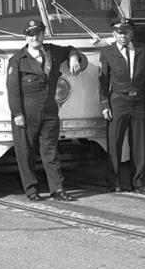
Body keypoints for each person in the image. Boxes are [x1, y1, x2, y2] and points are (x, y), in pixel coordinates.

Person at [6, 19, 85, 201]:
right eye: (31, 34)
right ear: (26, 37)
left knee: (50, 151)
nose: (35, 37)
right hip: (26, 112)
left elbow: (70, 49)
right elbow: (12, 89)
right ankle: (31, 190)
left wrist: (73, 56)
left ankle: (57, 189)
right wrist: (17, 113)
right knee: (26, 153)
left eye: (39, 33)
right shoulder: (18, 60)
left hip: (49, 111)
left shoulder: (52, 51)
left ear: (43, 34)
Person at [98, 18, 145, 192]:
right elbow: (102, 81)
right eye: (119, 32)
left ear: (132, 33)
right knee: (114, 142)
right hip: (118, 100)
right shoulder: (107, 52)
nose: (123, 36)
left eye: (126, 32)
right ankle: (113, 181)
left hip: (138, 101)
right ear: (114, 34)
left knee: (139, 143)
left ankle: (138, 181)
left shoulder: (143, 50)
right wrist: (104, 104)